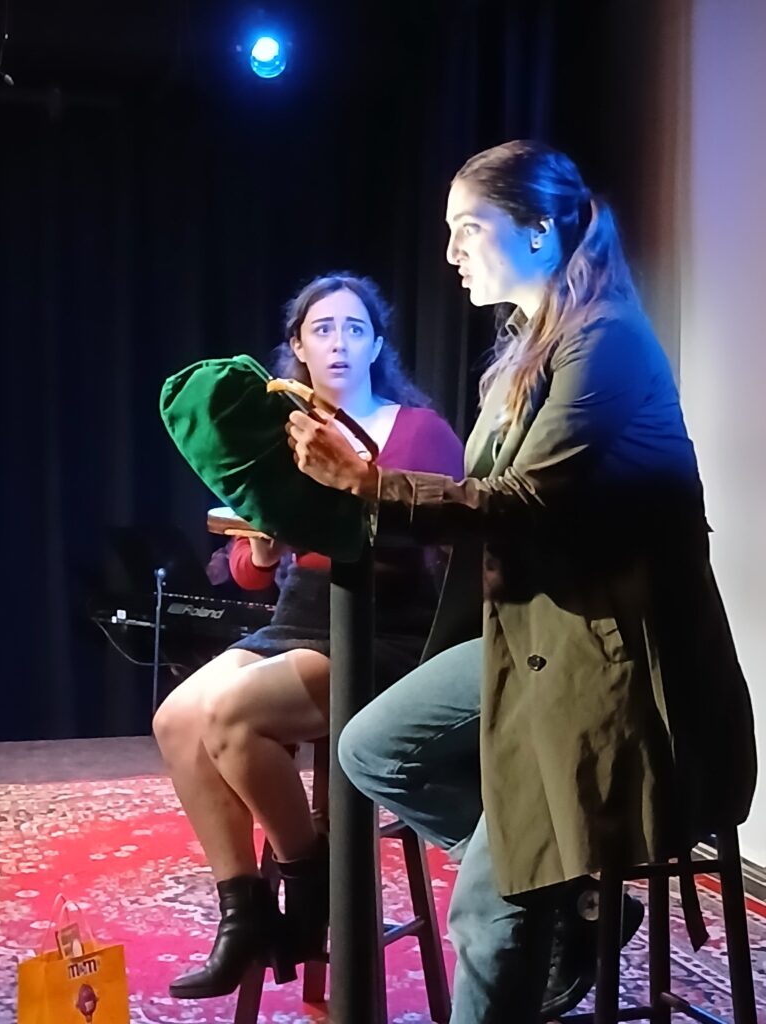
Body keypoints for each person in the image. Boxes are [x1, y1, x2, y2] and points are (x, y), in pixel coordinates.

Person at [286, 142, 757, 1024]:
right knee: (370, 745)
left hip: (615, 665)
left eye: (471, 228)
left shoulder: (607, 340)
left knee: (483, 908)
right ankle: (578, 898)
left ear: (541, 231)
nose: (453, 252)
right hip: (532, 638)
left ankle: (528, 894)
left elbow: (524, 502)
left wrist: (367, 483)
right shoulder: (527, 345)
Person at [153, 272, 464, 998]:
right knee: (174, 721)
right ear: (298, 346)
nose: (339, 343)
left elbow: (439, 544)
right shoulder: (285, 429)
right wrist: (262, 548)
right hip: (300, 618)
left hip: (385, 625)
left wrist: (347, 505)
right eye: (322, 329)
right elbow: (250, 572)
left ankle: (311, 878)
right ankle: (246, 912)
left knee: (232, 719)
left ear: (378, 344)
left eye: (355, 329)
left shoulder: (418, 429)